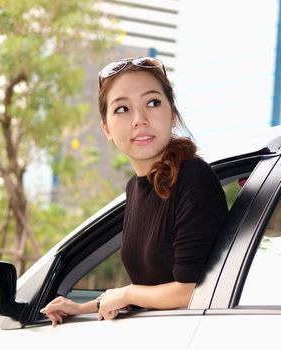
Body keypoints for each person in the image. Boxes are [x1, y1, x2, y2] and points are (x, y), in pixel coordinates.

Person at [40, 57, 228, 326]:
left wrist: (126, 292)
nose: (140, 120)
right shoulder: (136, 187)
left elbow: (189, 291)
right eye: (122, 109)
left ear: (172, 115)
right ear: (106, 128)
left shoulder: (193, 177)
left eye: (153, 103)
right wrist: (84, 307)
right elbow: (154, 286)